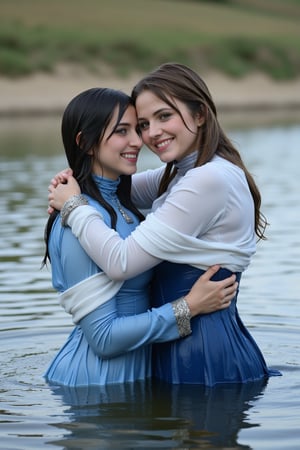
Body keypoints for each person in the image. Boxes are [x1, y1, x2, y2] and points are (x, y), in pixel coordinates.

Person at [48, 63, 281, 386]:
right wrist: (74, 179)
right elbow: (119, 185)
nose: (147, 136)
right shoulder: (187, 175)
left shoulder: (207, 179)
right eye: (141, 124)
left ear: (200, 115)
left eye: (164, 116)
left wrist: (74, 204)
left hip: (201, 354)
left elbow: (121, 260)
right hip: (174, 355)